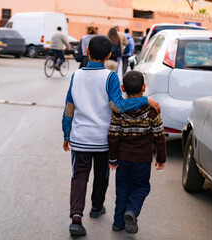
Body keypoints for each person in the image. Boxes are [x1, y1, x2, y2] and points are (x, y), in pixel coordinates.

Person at [62, 35, 160, 237]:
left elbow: (69, 108)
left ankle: (76, 218)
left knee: (79, 176)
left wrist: (66, 133)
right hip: (102, 139)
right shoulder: (110, 76)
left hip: (80, 138)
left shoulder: (76, 75)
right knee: (101, 175)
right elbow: (118, 106)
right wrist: (144, 100)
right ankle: (96, 207)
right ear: (108, 55)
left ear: (87, 51)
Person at [108, 70, 166, 234]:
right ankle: (132, 211)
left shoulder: (119, 112)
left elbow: (113, 135)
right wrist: (161, 157)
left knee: (122, 189)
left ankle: (118, 222)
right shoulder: (152, 111)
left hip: (123, 158)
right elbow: (159, 136)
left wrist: (112, 158)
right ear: (144, 87)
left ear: (123, 89)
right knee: (141, 188)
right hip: (142, 159)